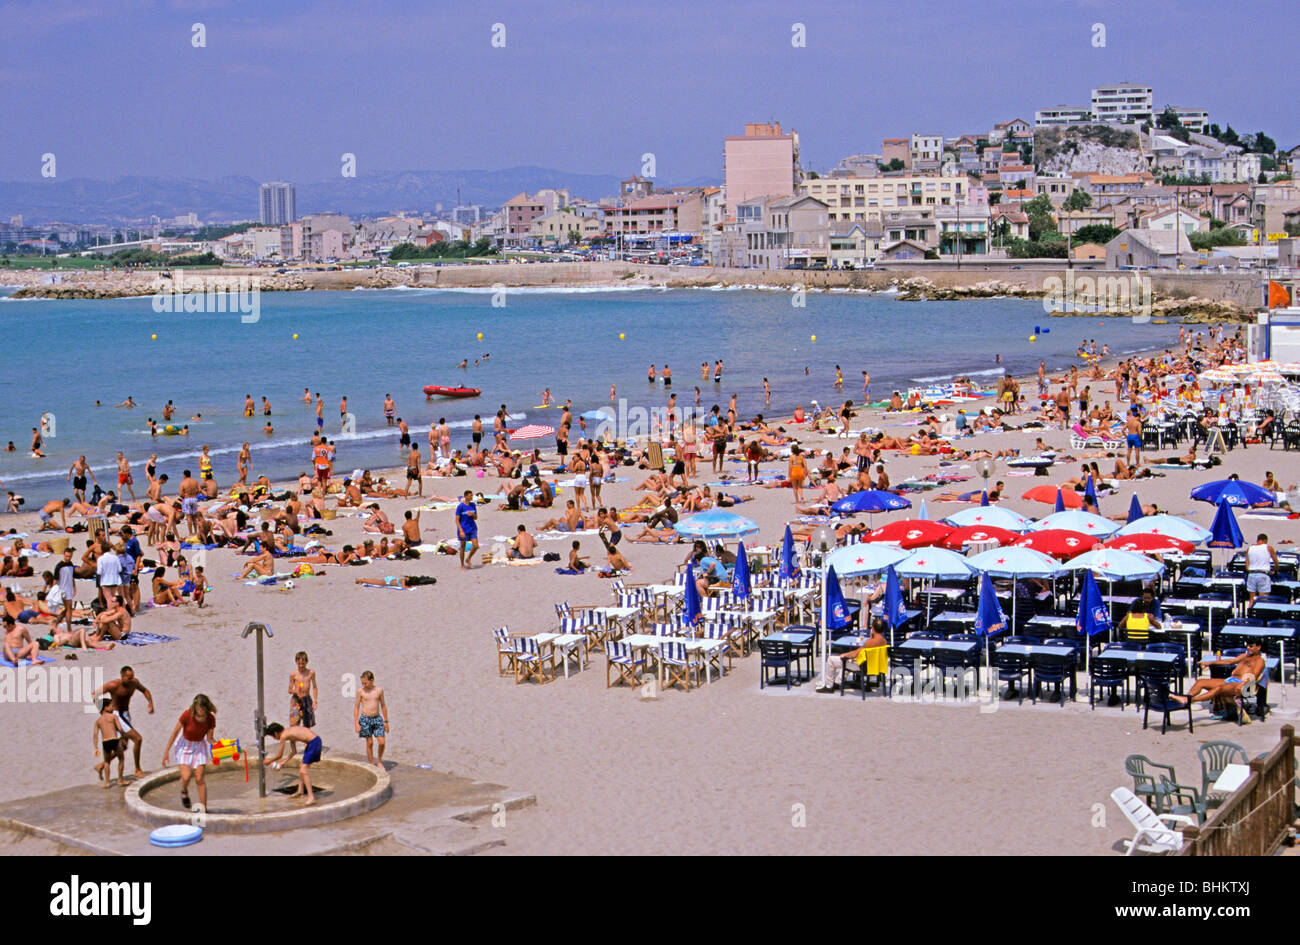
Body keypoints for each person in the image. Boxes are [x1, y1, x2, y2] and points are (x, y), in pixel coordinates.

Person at [1170, 640, 1266, 711]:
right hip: (1231, 680)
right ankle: (1186, 698)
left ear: (1259, 647)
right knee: (1201, 682)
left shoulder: (1260, 661)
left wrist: (1243, 684)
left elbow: (1253, 675)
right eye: (1248, 646)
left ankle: (1189, 700)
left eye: (1251, 646)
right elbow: (1229, 661)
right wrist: (1210, 662)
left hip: (1240, 684)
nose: (1248, 648)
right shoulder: (1245, 656)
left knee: (1218, 689)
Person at [95, 666, 154, 778]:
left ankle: (101, 765)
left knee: (123, 746)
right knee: (138, 739)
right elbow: (96, 694)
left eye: (132, 677)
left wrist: (150, 703)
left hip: (126, 715)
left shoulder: (134, 683)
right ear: (122, 677)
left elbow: (145, 690)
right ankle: (138, 769)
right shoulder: (113, 685)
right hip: (117, 715)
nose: (132, 680)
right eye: (129, 678)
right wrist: (103, 712)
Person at [160, 694, 217, 811]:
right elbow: (175, 733)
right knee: (186, 777)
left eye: (203, 710)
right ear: (195, 707)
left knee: (199, 778)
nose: (201, 712)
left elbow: (209, 738)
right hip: (184, 745)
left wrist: (221, 746)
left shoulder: (210, 718)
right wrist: (166, 752)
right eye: (199, 709)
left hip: (199, 746)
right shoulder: (187, 715)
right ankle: (184, 791)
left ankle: (204, 809)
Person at [816, 616, 889, 692]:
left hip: (863, 667)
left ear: (873, 628)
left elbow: (855, 654)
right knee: (850, 660)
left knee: (831, 659)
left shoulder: (870, 642)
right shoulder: (884, 641)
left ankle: (829, 686)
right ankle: (838, 681)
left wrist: (844, 655)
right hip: (874, 666)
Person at [262, 722, 322, 805]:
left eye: (273, 736)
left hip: (314, 743)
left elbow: (280, 755)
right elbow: (294, 752)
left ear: (276, 733)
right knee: (302, 767)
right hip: (313, 742)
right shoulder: (289, 733)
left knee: (303, 771)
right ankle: (300, 791)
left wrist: (269, 761)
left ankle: (311, 797)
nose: (274, 738)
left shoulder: (283, 736)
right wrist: (282, 763)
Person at [353, 671, 390, 767]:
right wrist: (356, 723)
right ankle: (371, 763)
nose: (364, 685)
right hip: (365, 718)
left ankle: (379, 761)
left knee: (382, 742)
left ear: (372, 680)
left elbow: (383, 706)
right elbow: (356, 707)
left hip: (377, 718)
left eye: (366, 683)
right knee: (369, 742)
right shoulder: (360, 691)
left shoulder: (379, 690)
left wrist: (386, 721)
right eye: (362, 683)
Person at [93, 699, 127, 788]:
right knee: (121, 759)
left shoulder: (98, 721)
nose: (113, 708)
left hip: (105, 742)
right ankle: (120, 780)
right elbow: (120, 729)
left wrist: (96, 747)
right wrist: (123, 739)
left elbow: (95, 735)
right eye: (111, 706)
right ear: (106, 707)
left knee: (107, 762)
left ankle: (107, 782)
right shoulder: (113, 717)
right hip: (115, 740)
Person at [1245, 533, 1279, 606]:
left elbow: (1247, 567)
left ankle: (1250, 613)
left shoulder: (1249, 549)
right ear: (1265, 540)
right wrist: (1275, 571)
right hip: (1263, 574)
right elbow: (1276, 563)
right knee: (1263, 599)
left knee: (1251, 599)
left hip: (1251, 574)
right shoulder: (1268, 548)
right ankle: (1261, 615)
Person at [290, 651, 317, 728]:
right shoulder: (293, 674)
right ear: (296, 662)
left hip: (307, 699)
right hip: (296, 700)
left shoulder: (311, 673)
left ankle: (307, 739)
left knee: (307, 724)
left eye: (303, 664)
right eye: (299, 664)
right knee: (294, 724)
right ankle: (294, 739)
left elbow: (314, 687)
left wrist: (315, 701)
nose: (301, 666)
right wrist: (296, 691)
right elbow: (289, 690)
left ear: (307, 662)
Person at [455, 490, 478, 569]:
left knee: (476, 546)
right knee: (463, 547)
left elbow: (476, 518)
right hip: (463, 529)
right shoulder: (460, 507)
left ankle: (468, 559)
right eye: (470, 495)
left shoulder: (473, 505)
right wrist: (461, 530)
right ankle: (462, 565)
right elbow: (457, 520)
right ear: (465, 496)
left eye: (472, 495)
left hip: (472, 528)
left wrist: (473, 514)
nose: (472, 497)